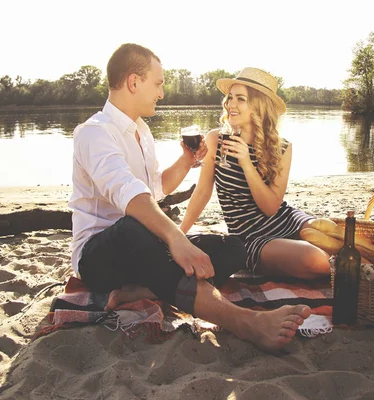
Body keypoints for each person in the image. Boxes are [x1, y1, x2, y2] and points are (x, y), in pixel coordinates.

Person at [69, 44, 311, 351]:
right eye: (157, 84)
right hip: (100, 253)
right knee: (135, 226)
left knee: (232, 248)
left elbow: (153, 187)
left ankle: (145, 288)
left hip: (145, 244)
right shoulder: (94, 133)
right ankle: (244, 321)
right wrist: (176, 238)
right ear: (134, 82)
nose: (161, 93)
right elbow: (131, 196)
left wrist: (186, 161)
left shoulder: (141, 131)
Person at [180, 67, 331, 280]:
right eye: (230, 97)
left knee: (330, 233)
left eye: (240, 99)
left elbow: (272, 207)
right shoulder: (217, 140)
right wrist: (179, 235)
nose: (231, 104)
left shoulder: (282, 148)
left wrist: (247, 164)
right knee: (318, 260)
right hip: (250, 236)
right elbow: (203, 192)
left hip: (286, 219)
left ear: (259, 107)